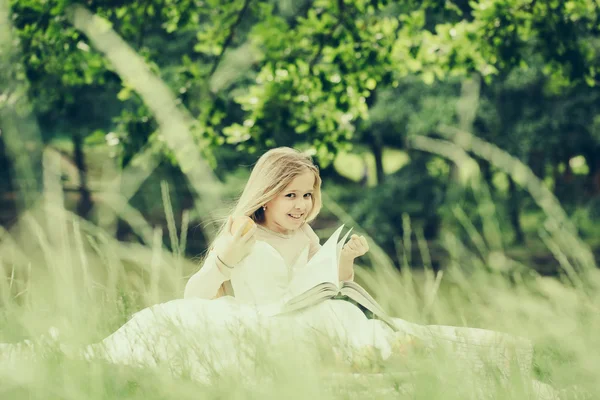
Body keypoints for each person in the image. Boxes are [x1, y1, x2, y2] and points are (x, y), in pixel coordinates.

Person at [1, 147, 549, 395]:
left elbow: (319, 288)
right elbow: (195, 293)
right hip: (258, 317)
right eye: (290, 194)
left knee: (367, 328)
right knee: (170, 326)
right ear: (266, 194)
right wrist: (227, 258)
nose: (301, 205)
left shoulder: (307, 233)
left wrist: (343, 266)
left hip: (303, 315)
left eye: (308, 195)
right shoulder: (243, 230)